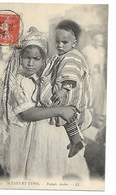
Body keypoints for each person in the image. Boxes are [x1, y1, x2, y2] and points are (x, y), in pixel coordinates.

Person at [0, 27, 89, 181]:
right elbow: (27, 113)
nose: (31, 63)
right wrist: (60, 110)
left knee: (59, 171)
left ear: (43, 60)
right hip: (31, 139)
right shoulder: (17, 82)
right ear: (20, 57)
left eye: (36, 59)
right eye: (27, 58)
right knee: (36, 171)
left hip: (55, 136)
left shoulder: (47, 79)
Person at [39, 20, 92, 158]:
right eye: (57, 41)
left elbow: (71, 75)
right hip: (67, 94)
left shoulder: (72, 57)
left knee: (65, 114)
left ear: (74, 43)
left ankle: (76, 140)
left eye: (64, 42)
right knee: (68, 118)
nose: (60, 45)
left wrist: (63, 90)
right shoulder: (64, 55)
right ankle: (76, 140)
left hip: (69, 93)